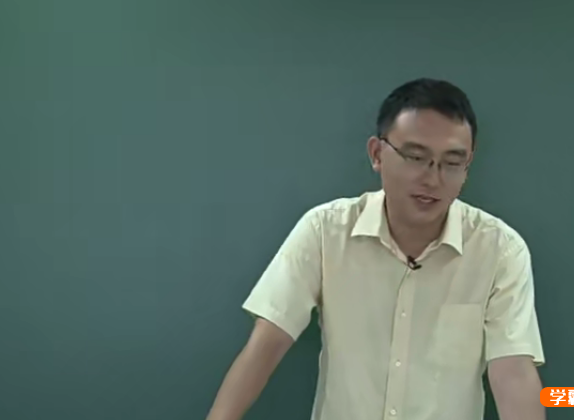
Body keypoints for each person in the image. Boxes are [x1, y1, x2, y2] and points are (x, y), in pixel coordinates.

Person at [206, 78, 546, 420]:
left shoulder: (500, 249)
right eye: (416, 157)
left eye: (452, 162)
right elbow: (266, 345)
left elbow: (513, 372)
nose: (433, 178)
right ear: (377, 154)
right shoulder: (325, 231)